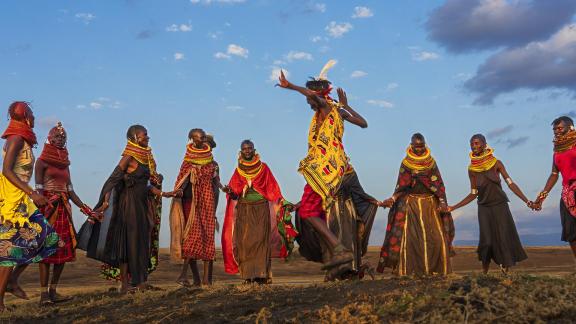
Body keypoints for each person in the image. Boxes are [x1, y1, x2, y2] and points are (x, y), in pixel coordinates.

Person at [276, 60, 368, 273]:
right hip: (336, 165)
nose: (309, 102)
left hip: (325, 169)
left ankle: (339, 249)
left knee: (308, 212)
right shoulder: (336, 110)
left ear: (318, 96)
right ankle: (337, 253)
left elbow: (312, 96)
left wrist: (290, 86)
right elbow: (363, 123)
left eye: (311, 98)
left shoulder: (326, 107)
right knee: (312, 211)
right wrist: (346, 106)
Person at [81, 125, 174, 293]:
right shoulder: (128, 158)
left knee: (141, 242)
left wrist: (164, 193)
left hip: (142, 205)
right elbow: (112, 180)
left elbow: (145, 186)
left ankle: (140, 282)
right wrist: (105, 202)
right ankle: (125, 285)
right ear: (135, 137)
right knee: (127, 243)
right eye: (145, 135)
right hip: (128, 205)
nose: (148, 137)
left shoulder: (144, 158)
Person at [0, 102, 58, 311]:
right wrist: (32, 192)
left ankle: (12, 281)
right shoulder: (15, 139)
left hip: (22, 198)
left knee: (47, 239)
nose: (34, 118)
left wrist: (31, 194)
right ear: (25, 117)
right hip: (13, 200)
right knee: (9, 251)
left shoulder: (22, 138)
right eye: (32, 114)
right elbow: (7, 170)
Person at [447, 134, 530, 274]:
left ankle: (505, 271)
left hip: (500, 205)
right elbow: (473, 193)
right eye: (472, 144)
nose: (474, 146)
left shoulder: (497, 163)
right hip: (484, 207)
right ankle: (484, 273)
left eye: (477, 143)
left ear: (485, 145)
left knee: (503, 237)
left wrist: (527, 201)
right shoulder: (472, 169)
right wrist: (453, 207)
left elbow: (511, 183)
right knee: (486, 241)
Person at [35, 122, 98, 304]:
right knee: (46, 251)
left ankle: (54, 291)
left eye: (63, 137)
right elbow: (38, 188)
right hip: (48, 208)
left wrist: (87, 209)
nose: (60, 139)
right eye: (57, 136)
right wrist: (46, 202)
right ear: (49, 138)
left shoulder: (65, 165)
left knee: (62, 250)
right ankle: (43, 295)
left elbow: (70, 190)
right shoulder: (41, 162)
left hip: (63, 209)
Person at [377, 133, 454, 276]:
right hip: (411, 204)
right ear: (411, 145)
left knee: (437, 239)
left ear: (425, 145)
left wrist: (443, 202)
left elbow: (439, 184)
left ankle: (438, 271)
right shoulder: (406, 163)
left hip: (431, 205)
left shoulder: (431, 162)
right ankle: (409, 272)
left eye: (421, 146)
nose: (419, 149)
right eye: (416, 146)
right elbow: (401, 186)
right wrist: (393, 198)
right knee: (410, 241)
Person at [221, 140, 297, 284]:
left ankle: (262, 275)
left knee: (261, 241)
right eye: (244, 149)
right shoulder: (238, 171)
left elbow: (273, 189)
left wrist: (283, 203)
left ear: (254, 150)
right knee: (244, 242)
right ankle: (248, 276)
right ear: (240, 151)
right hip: (244, 209)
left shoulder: (264, 168)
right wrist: (229, 191)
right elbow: (235, 195)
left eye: (250, 148)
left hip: (261, 208)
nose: (247, 151)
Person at [170, 129, 222, 287]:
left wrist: (213, 211)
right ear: (193, 141)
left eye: (208, 143)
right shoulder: (188, 161)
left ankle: (205, 280)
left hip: (206, 204)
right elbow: (181, 180)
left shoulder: (213, 165)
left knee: (207, 241)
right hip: (189, 204)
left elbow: (216, 189)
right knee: (191, 239)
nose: (206, 145)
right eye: (203, 141)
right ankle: (195, 278)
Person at [533, 116, 576, 261]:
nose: (556, 131)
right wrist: (541, 197)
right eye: (554, 129)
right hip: (567, 194)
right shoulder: (557, 152)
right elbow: (554, 174)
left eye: (559, 128)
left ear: (570, 128)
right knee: (571, 233)